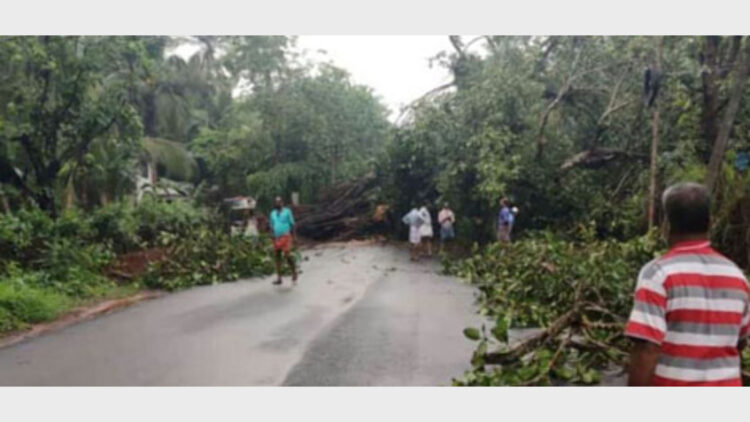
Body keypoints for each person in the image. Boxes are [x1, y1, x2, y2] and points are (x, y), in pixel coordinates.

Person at [625, 182, 749, 386]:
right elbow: (740, 341)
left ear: (667, 224)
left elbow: (647, 349)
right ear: (710, 222)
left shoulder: (658, 274)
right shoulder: (736, 276)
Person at [270, 196, 298, 286]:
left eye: (279, 202)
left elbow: (292, 224)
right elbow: (271, 225)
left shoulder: (287, 212)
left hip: (286, 235)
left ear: (282, 202)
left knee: (287, 255)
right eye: (276, 202)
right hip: (277, 237)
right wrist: (272, 235)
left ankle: (294, 273)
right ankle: (279, 278)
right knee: (277, 256)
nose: (278, 203)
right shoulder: (273, 213)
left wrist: (294, 236)